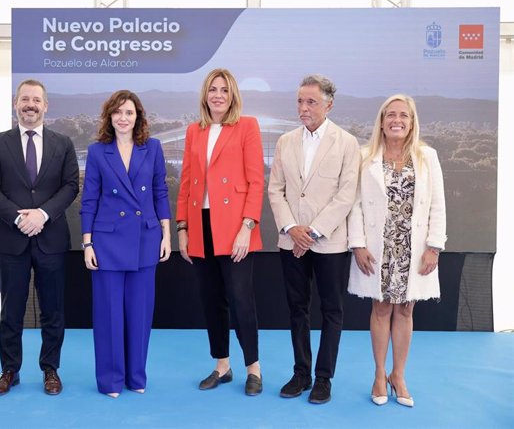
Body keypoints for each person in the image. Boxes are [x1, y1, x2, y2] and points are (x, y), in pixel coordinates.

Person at [0, 79, 79, 397]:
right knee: (12, 309)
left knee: (53, 308)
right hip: (12, 238)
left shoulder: (63, 143)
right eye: (25, 99)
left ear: (46, 105)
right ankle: (10, 370)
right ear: (16, 104)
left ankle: (51, 369)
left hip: (50, 238)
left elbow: (70, 186)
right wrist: (18, 216)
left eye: (36, 100)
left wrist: (42, 214)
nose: (30, 105)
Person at [347, 94, 446, 407]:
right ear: (381, 120)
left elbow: (438, 205)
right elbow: (356, 206)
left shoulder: (428, 156)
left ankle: (398, 375)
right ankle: (378, 374)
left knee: (405, 309)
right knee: (380, 308)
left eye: (404, 115)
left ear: (412, 121)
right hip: (379, 248)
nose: (397, 120)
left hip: (412, 248)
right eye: (391, 114)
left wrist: (434, 247)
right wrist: (358, 244)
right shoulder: (365, 156)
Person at [268, 74, 360, 404]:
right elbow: (275, 190)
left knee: (332, 310)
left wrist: (313, 232)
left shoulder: (347, 143)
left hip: (330, 243)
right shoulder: (285, 142)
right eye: (300, 101)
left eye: (311, 102)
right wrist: (293, 228)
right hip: (291, 241)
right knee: (297, 308)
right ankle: (301, 373)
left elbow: (346, 195)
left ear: (329, 105)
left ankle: (324, 378)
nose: (303, 108)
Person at [176, 68, 265, 396]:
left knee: (242, 300)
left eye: (224, 90)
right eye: (213, 89)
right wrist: (182, 228)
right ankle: (222, 365)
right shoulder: (193, 131)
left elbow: (256, 181)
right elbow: (186, 183)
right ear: (205, 94)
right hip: (201, 226)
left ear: (232, 96)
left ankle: (253, 369)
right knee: (212, 300)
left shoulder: (247, 126)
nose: (217, 95)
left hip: (235, 228)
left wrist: (247, 227)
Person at [80, 90, 172, 398]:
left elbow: (160, 192)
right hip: (106, 242)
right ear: (109, 116)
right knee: (108, 314)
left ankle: (136, 376)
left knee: (140, 313)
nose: (123, 117)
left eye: (129, 112)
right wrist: (87, 243)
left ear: (138, 117)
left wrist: (166, 235)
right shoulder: (96, 152)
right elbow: (89, 199)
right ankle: (110, 380)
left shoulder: (153, 148)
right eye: (117, 112)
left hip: (146, 239)